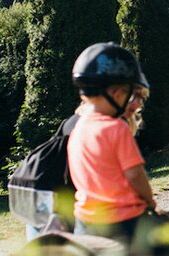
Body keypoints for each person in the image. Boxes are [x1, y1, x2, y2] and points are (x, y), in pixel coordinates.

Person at [67, 42, 156, 246]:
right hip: (123, 223)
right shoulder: (116, 128)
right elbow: (135, 174)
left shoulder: (78, 129)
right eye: (128, 93)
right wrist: (150, 200)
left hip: (85, 222)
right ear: (116, 93)